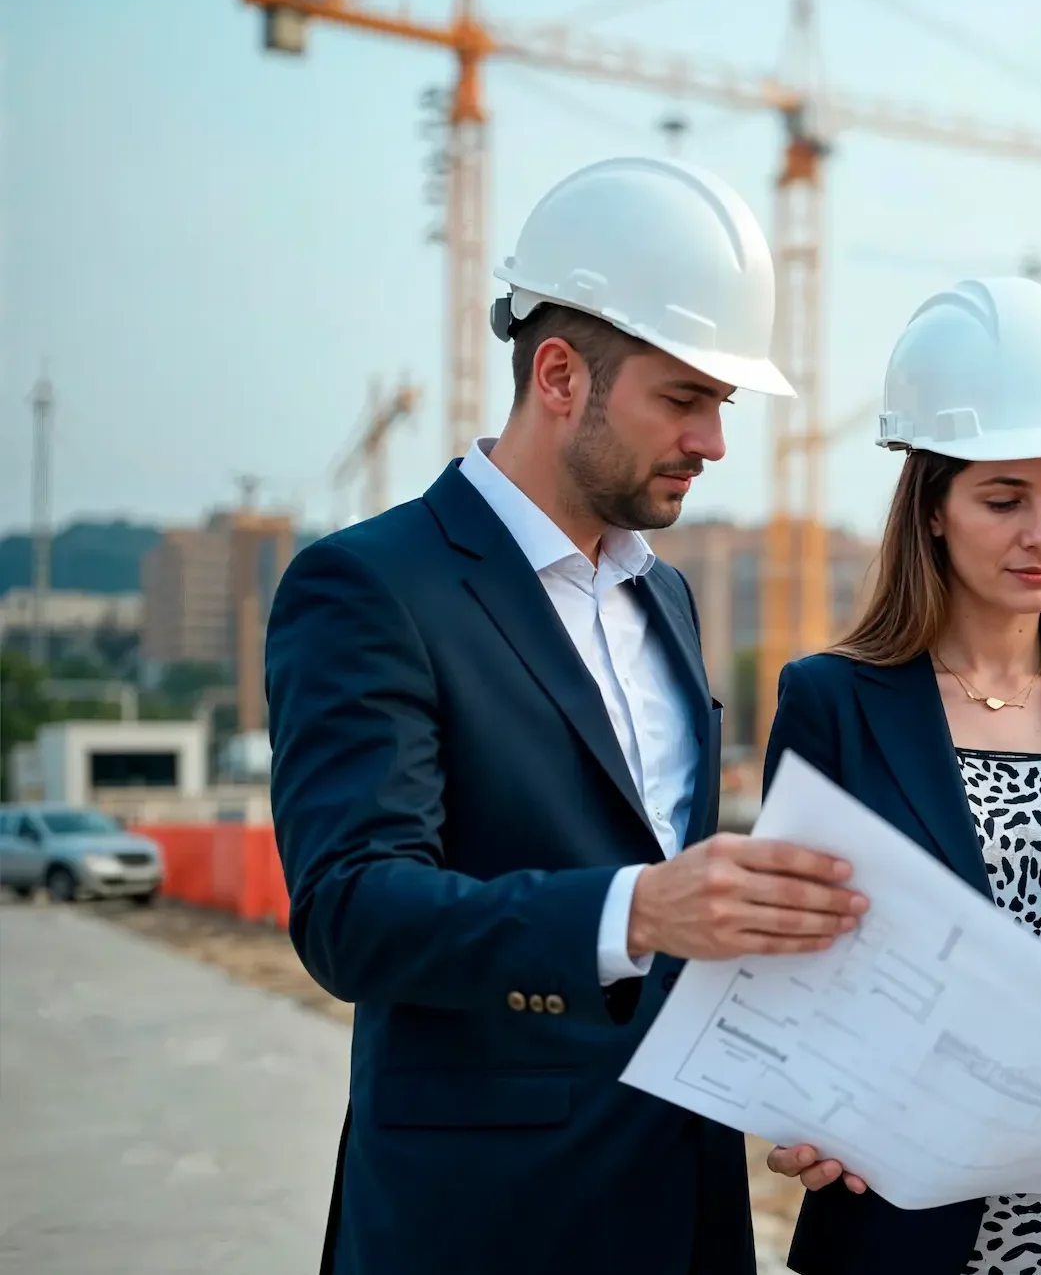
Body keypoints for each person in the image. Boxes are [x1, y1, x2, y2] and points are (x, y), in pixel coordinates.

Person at [265, 155, 870, 1275]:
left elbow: (687, 925)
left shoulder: (666, 597)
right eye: (683, 399)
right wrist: (633, 910)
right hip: (482, 1222)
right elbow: (349, 911)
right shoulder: (370, 587)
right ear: (558, 375)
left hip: (685, 1205)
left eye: (721, 405)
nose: (714, 442)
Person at [756, 276, 1041, 1275]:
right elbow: (790, 964)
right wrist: (812, 1102)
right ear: (932, 509)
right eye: (1004, 499)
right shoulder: (831, 701)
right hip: (899, 1214)